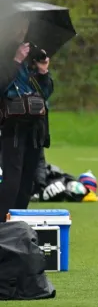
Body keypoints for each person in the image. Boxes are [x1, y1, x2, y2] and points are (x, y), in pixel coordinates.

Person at [0, 17, 53, 222]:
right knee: (12, 180)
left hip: (35, 126)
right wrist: (16, 61)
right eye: (18, 24)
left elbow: (45, 93)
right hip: (12, 125)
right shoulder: (5, 53)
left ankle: (18, 225)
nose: (22, 29)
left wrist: (43, 71)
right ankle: (3, 224)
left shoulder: (33, 52)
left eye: (25, 24)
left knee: (27, 181)